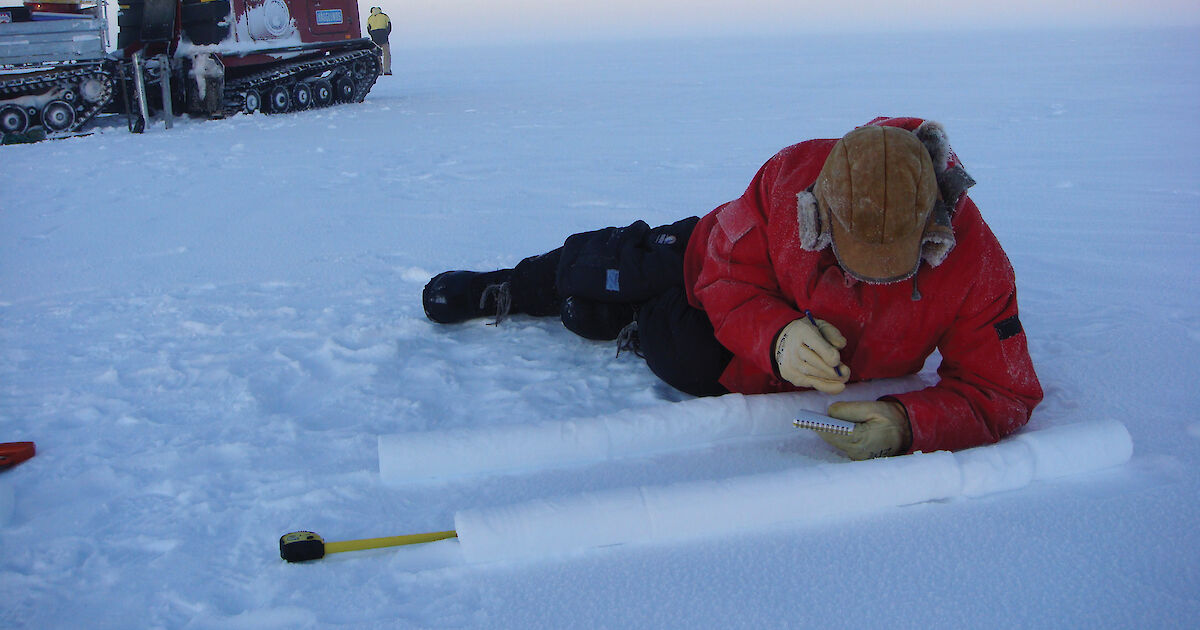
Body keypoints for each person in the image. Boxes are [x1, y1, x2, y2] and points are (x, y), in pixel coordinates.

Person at [422, 117, 1043, 460]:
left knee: (658, 344)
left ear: (931, 226)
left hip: (738, 357)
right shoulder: (792, 175)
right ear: (823, 211)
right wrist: (778, 336)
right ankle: (506, 285)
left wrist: (907, 426)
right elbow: (726, 271)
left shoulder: (975, 265)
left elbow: (1002, 389)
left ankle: (620, 322)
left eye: (890, 265)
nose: (864, 279)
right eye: (853, 258)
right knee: (599, 271)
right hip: (706, 260)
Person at [367, 7, 392, 76]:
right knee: (386, 54)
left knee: (377, 55)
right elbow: (389, 26)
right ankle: (387, 70)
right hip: (384, 36)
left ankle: (379, 70)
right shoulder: (385, 16)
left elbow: (368, 29)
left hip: (375, 38)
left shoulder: (370, 18)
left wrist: (373, 35)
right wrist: (386, 34)